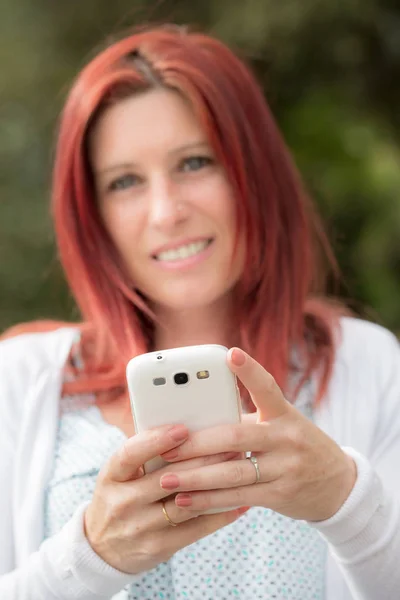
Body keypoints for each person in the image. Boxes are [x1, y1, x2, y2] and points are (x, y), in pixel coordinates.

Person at [0, 23, 399, 600]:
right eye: (125, 181)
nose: (166, 212)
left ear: (253, 175)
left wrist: (346, 501)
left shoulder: (366, 363)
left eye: (194, 163)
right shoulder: (21, 380)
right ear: (93, 215)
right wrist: (92, 555)